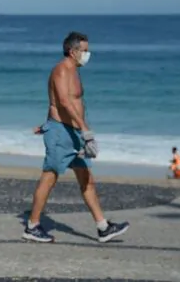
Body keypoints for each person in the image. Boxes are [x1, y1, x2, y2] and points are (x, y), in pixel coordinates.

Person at [23, 31, 130, 243]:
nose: (87, 55)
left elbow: (70, 104)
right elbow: (62, 102)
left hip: (74, 133)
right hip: (62, 133)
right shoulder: (61, 70)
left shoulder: (74, 70)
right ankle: (32, 226)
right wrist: (81, 130)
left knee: (87, 179)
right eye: (85, 51)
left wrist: (83, 132)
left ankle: (103, 227)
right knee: (49, 178)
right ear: (73, 52)